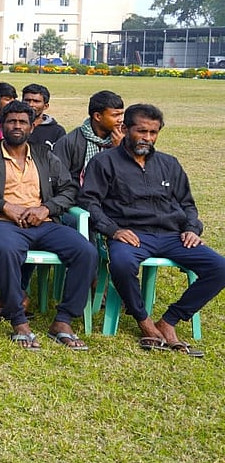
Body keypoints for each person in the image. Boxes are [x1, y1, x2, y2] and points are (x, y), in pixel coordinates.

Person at [79, 104, 225, 356]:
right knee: (122, 265)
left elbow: (187, 204)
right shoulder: (104, 162)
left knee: (220, 268)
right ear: (125, 129)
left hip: (172, 235)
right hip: (130, 235)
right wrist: (113, 230)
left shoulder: (169, 163)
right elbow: (89, 202)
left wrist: (191, 228)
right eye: (141, 131)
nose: (147, 138)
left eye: (153, 132)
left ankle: (169, 321)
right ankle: (144, 321)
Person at [0, 101, 95, 350]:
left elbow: (69, 189)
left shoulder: (44, 156)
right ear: (1, 124)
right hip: (4, 223)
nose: (17, 126)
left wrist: (46, 208)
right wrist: (3, 206)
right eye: (11, 121)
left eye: (23, 122)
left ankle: (63, 321)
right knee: (7, 251)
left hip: (43, 222)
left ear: (32, 126)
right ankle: (18, 321)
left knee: (85, 251)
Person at [53, 90, 123, 184]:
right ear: (98, 116)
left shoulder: (125, 140)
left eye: (121, 114)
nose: (121, 120)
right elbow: (58, 180)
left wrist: (120, 150)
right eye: (115, 115)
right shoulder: (69, 142)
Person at [21, 83, 65, 154]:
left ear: (45, 106)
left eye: (36, 101)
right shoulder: (13, 126)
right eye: (27, 100)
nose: (31, 104)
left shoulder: (57, 131)